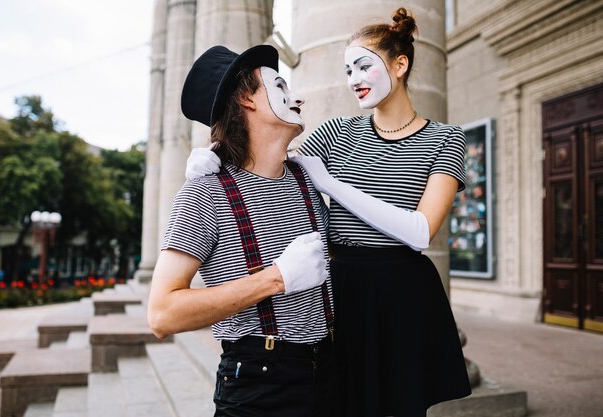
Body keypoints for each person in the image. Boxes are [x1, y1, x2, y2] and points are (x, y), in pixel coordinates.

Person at [185, 8, 472, 417]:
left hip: (402, 291)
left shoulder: (447, 139)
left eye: (362, 66)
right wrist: (208, 154)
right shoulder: (337, 132)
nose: (353, 79)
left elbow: (421, 231)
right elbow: (265, 154)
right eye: (347, 70)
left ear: (400, 64)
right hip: (342, 289)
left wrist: (334, 185)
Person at [147, 44, 336, 417]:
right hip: (259, 388)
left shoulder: (307, 178)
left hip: (332, 374)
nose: (297, 96)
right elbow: (162, 314)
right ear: (246, 99)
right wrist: (276, 279)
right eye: (280, 88)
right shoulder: (204, 193)